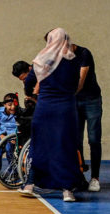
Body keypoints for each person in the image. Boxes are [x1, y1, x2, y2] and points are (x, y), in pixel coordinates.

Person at [19, 28, 86, 202]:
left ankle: (30, 184)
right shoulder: (72, 60)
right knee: (65, 147)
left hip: (45, 108)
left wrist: (31, 93)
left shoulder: (42, 59)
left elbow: (29, 81)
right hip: (66, 109)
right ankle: (67, 191)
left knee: (40, 145)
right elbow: (75, 84)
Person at [71, 41, 102, 192]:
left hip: (91, 100)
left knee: (94, 139)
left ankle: (95, 178)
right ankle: (80, 175)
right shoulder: (61, 56)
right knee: (76, 139)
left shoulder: (84, 53)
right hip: (75, 100)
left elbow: (80, 82)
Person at [0, 93, 21, 169]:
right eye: (10, 105)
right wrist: (1, 135)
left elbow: (21, 127)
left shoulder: (19, 112)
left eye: (15, 104)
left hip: (13, 135)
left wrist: (16, 138)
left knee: (9, 149)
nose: (13, 107)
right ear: (4, 105)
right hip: (2, 134)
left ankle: (12, 171)